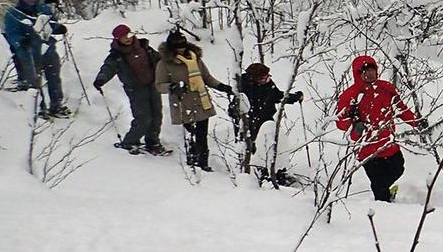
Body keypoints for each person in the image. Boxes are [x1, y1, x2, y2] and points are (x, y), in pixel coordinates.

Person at [335, 55, 419, 202]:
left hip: (388, 143)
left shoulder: (386, 88)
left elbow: (401, 109)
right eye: (365, 71)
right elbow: (340, 121)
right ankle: (385, 210)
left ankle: (384, 194)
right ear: (358, 73)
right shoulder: (350, 95)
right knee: (379, 185)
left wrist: (416, 122)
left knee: (398, 169)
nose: (370, 74)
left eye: (372, 69)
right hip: (367, 149)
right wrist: (354, 125)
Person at [155, 29, 232, 171]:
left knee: (202, 136)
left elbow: (206, 78)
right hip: (182, 103)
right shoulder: (164, 64)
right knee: (191, 134)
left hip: (201, 102)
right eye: (178, 47)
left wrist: (222, 87)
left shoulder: (194, 58)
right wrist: (173, 87)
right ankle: (192, 162)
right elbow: (159, 86)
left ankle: (203, 164)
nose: (181, 49)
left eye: (183, 45)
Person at [93, 24, 169, 155]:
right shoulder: (116, 55)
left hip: (152, 85)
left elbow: (160, 60)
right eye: (122, 37)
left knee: (157, 115)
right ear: (117, 39)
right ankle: (129, 142)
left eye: (128, 35)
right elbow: (108, 68)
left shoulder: (144, 47)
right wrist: (101, 79)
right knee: (143, 118)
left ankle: (153, 142)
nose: (127, 39)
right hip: (135, 89)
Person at [1, 0, 70, 116]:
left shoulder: (43, 9)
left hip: (48, 49)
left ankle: (56, 105)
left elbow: (50, 24)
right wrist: (21, 42)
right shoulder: (13, 14)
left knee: (54, 77)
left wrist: (58, 28)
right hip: (28, 54)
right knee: (34, 82)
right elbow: (12, 34)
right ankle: (40, 108)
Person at [236, 62, 303, 162]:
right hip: (248, 122)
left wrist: (294, 97)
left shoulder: (268, 84)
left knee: (268, 147)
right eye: (263, 78)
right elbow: (234, 108)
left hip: (266, 120)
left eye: (268, 77)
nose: (267, 80)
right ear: (254, 79)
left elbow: (278, 96)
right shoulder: (243, 87)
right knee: (250, 149)